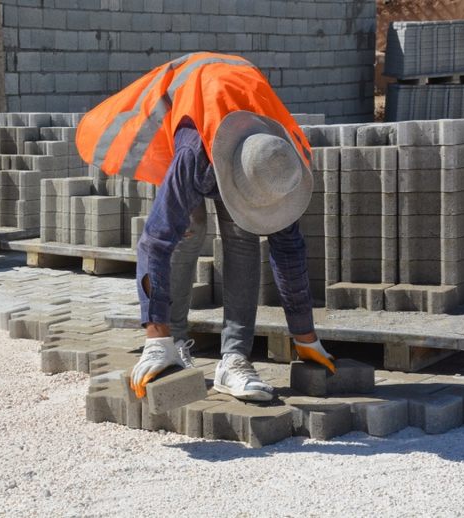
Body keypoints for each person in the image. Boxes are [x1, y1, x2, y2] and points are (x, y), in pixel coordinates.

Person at [76, 52, 335, 402]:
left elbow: (289, 250)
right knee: (185, 229)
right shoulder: (193, 157)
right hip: (190, 113)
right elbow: (154, 242)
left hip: (240, 110)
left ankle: (234, 359)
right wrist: (156, 337)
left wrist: (305, 335)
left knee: (243, 234)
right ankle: (173, 344)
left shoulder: (280, 159)